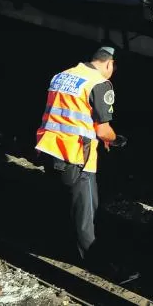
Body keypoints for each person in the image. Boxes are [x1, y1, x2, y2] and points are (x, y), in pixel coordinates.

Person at [35, 46, 123, 268]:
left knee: (62, 203)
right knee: (85, 211)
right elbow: (103, 130)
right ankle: (94, 261)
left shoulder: (62, 76)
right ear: (108, 63)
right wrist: (116, 139)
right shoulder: (99, 83)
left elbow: (67, 111)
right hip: (77, 155)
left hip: (49, 146)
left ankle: (58, 246)